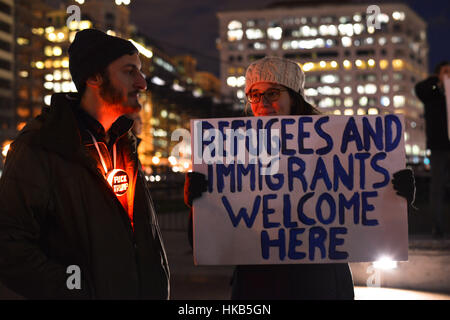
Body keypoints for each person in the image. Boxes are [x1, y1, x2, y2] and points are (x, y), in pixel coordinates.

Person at [185, 56, 415, 300]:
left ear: (293, 97)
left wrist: (394, 195)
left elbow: (363, 214)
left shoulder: (334, 147)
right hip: (258, 284)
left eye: (272, 93)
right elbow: (205, 240)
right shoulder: (231, 155)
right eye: (254, 94)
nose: (262, 102)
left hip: (319, 282)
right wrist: (198, 204)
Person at [0, 29, 169, 299]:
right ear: (94, 77)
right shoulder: (41, 146)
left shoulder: (125, 142)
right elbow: (8, 245)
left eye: (140, 71)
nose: (142, 83)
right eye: (129, 72)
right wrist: (76, 290)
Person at [415, 61, 450, 238]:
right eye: (445, 71)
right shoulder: (432, 91)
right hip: (439, 146)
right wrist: (438, 82)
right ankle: (437, 226)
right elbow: (420, 89)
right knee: (436, 188)